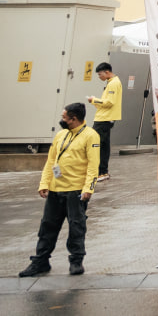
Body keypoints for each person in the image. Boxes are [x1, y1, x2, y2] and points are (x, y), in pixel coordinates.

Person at [19, 103, 98, 277]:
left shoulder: (91, 136)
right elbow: (51, 161)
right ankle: (41, 261)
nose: (62, 120)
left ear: (74, 119)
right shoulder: (61, 134)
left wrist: (88, 189)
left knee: (76, 226)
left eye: (64, 118)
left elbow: (94, 166)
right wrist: (44, 183)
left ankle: (76, 261)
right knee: (47, 226)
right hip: (55, 190)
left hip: (76, 191)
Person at [86, 63, 121, 182]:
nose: (99, 77)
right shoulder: (112, 82)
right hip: (106, 117)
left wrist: (93, 100)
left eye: (100, 74)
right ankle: (103, 171)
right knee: (104, 145)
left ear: (107, 72)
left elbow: (109, 102)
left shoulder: (113, 83)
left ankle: (100, 172)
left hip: (104, 118)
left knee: (97, 145)